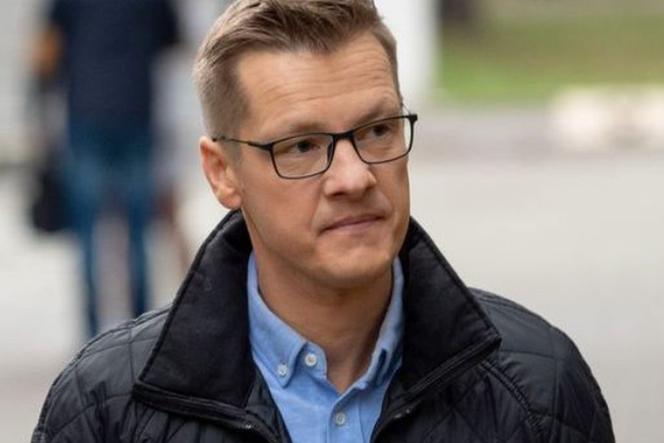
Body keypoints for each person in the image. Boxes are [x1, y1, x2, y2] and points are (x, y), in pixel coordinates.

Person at [32, 1, 614, 441]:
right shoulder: (105, 411)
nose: (354, 177)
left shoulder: (539, 392)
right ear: (222, 173)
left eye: (378, 130)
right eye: (303, 146)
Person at [32, 0, 180, 337]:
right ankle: (141, 329)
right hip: (136, 113)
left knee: (88, 232)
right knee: (138, 231)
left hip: (86, 116)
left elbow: (47, 50)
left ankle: (91, 333)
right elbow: (170, 39)